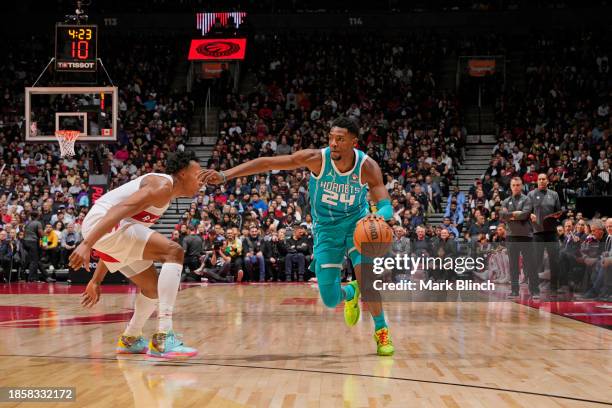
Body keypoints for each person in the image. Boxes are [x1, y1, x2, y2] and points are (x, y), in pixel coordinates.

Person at [201, 117, 395, 356]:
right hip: (326, 230)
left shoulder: (368, 166)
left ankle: (381, 330)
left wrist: (376, 218)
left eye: (340, 139)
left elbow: (385, 206)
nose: (333, 143)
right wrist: (225, 175)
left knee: (368, 279)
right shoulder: (316, 159)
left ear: (353, 142)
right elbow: (267, 163)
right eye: (331, 138)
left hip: (357, 226)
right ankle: (351, 292)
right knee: (331, 299)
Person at [73, 151, 202, 359]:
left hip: (107, 228)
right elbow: (121, 209)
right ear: (183, 174)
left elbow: (120, 242)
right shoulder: (161, 186)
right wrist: (87, 243)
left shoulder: (166, 196)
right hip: (102, 221)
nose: (201, 181)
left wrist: (96, 280)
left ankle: (131, 338)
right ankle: (164, 337)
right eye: (198, 174)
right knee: (174, 251)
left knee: (152, 288)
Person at [500, 177, 538, 298]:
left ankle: (535, 291)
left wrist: (510, 216)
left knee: (530, 264)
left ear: (521, 186)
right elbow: (502, 215)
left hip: (526, 236)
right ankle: (514, 291)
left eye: (518, 185)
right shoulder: (506, 201)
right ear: (511, 187)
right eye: (514, 185)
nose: (516, 187)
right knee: (513, 266)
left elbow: (525, 214)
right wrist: (514, 214)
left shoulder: (527, 199)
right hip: (511, 236)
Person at [528, 174, 562, 295]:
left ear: (547, 181)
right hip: (537, 233)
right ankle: (534, 288)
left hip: (552, 233)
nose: (542, 181)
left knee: (554, 261)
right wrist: (529, 215)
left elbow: (559, 211)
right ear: (537, 181)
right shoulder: (531, 194)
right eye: (540, 179)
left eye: (544, 179)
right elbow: (526, 212)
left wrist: (557, 216)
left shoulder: (554, 194)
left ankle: (553, 288)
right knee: (536, 261)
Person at [24, 211, 44, 282]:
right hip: (32, 242)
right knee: (34, 261)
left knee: (32, 260)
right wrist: (45, 243)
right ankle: (31, 278)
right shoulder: (38, 223)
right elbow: (42, 234)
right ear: (38, 216)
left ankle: (34, 277)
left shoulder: (27, 223)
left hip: (25, 242)